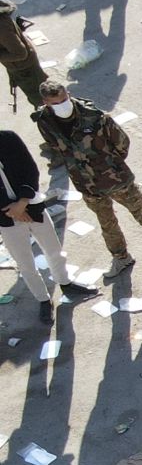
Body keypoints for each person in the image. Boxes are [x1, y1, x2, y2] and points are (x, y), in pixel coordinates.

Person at [34, 79, 142, 281]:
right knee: (107, 224)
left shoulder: (93, 116)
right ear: (46, 102)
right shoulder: (44, 120)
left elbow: (121, 143)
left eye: (64, 99)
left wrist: (110, 165)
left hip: (115, 178)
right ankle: (120, 257)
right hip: (86, 184)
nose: (62, 105)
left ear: (68, 94)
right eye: (55, 103)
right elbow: (57, 147)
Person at [0, 128, 85, 324]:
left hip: (32, 206)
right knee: (25, 263)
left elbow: (29, 169)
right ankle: (44, 300)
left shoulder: (8, 138)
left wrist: (22, 202)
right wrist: (12, 209)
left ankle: (65, 282)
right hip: (6, 217)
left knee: (53, 249)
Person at [0, 0, 50, 111]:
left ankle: (53, 122)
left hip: (25, 69)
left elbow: (20, 53)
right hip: (19, 67)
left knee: (41, 99)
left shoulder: (1, 27)